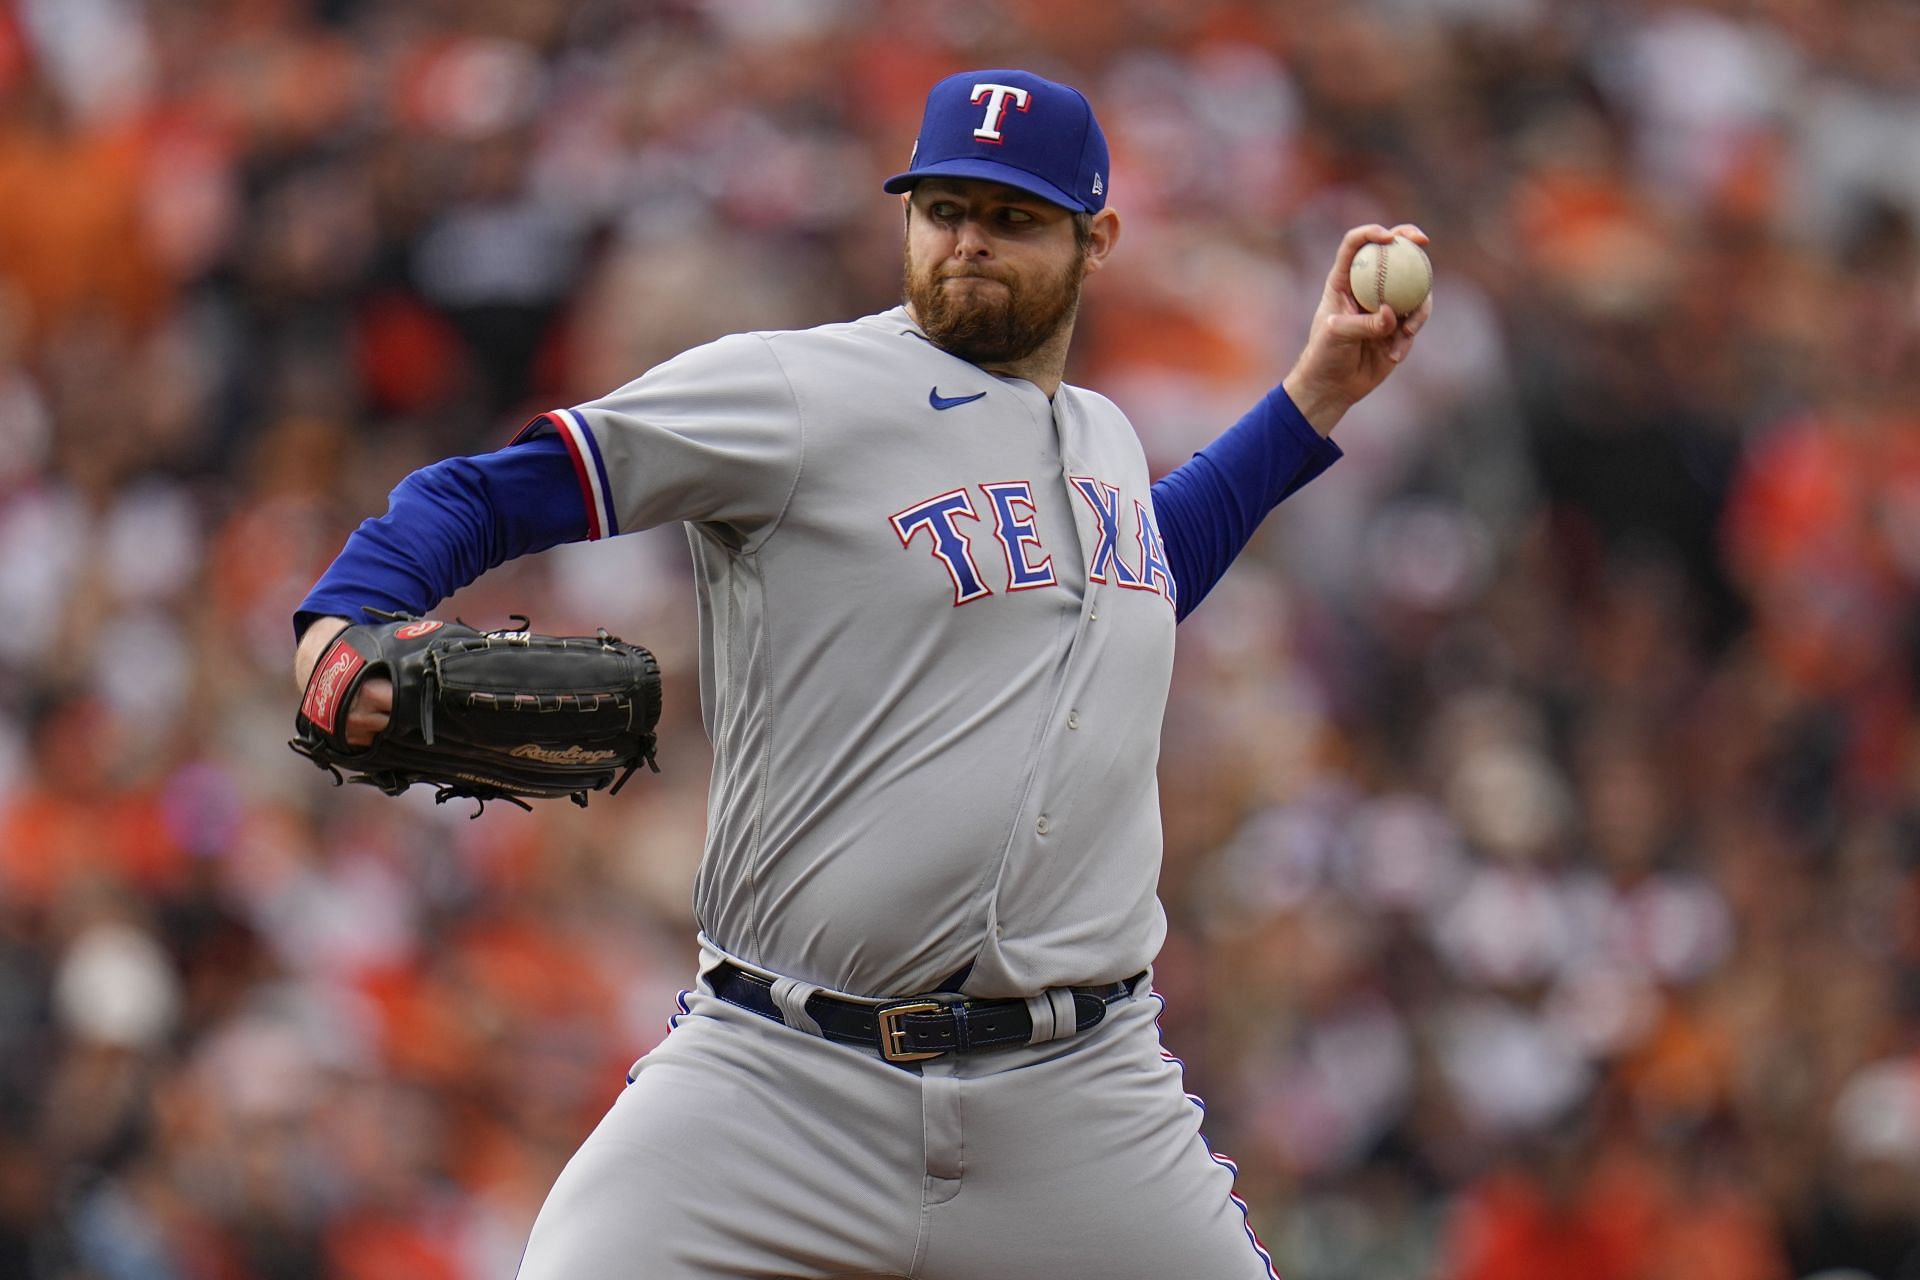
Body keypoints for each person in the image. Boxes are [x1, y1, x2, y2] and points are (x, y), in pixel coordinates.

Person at [292, 68, 1429, 1280]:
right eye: (943, 210)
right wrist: (347, 611)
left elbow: (1142, 567)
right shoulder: (796, 392)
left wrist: (1316, 397)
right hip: (779, 1077)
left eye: (1013, 219)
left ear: (1096, 239)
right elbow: (503, 483)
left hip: (1080, 1095)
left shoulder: (1099, 433)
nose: (969, 243)